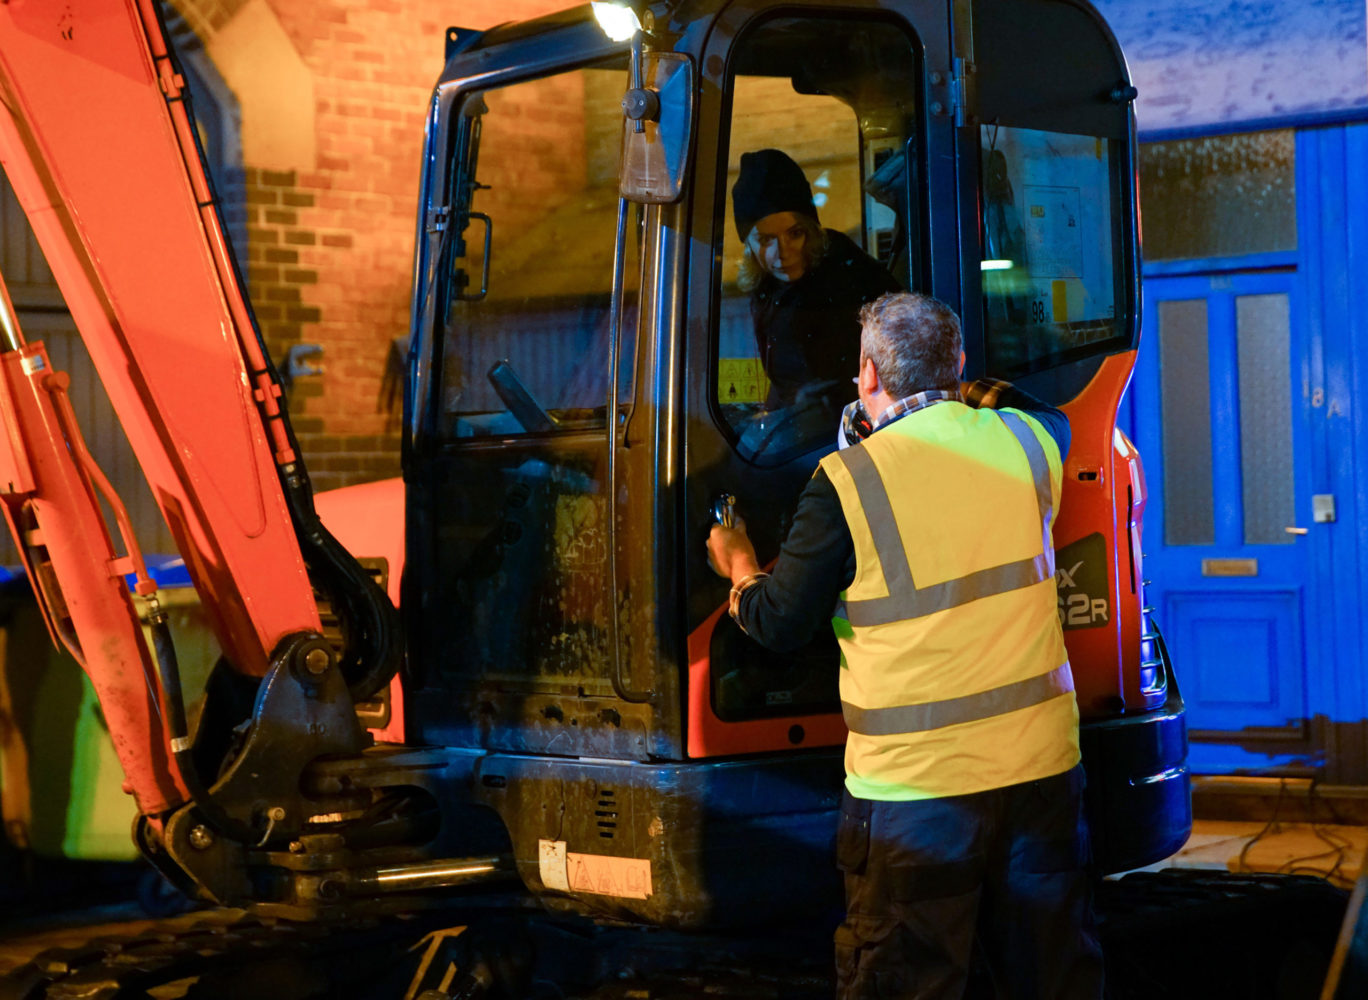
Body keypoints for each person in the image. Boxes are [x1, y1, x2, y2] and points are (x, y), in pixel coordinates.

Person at [706, 292, 1102, 1000]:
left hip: (917, 798)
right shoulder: (1027, 441)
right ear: (958, 365)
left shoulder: (847, 481)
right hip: (1040, 778)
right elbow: (1036, 407)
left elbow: (778, 621)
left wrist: (738, 567)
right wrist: (956, 385)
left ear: (866, 375)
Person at [732, 148, 899, 411]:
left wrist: (805, 406)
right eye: (766, 240)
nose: (783, 253)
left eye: (795, 233)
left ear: (811, 230)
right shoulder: (767, 285)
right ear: (748, 244)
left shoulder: (848, 279)